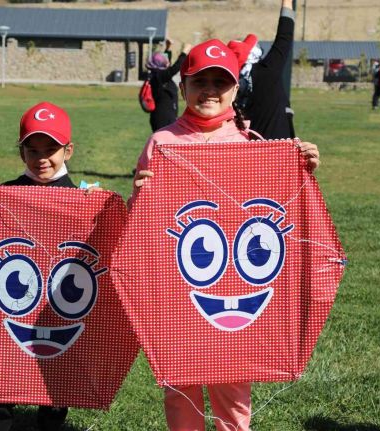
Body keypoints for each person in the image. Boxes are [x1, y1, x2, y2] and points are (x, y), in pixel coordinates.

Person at [130, 39, 320, 431]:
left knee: (232, 377)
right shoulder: (162, 143)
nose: (210, 91)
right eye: (200, 81)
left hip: (234, 287)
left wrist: (300, 171)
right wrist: (139, 197)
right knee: (179, 382)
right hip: (177, 287)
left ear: (236, 89)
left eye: (221, 82)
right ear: (183, 86)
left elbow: (277, 216)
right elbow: (140, 228)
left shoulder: (251, 146)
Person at [0, 101, 84, 431]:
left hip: (57, 306)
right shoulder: (6, 192)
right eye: (33, 150)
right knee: (2, 373)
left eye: (51, 149)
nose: (42, 158)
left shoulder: (82, 200)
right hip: (11, 303)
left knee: (55, 376)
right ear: (21, 153)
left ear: (68, 150)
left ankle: (50, 422)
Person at [228, 0, 296, 139]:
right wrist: (287, 2)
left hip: (249, 150)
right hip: (279, 149)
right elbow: (284, 35)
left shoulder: (228, 85)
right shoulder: (268, 70)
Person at [146, 41, 192, 132]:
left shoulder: (158, 76)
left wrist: (168, 48)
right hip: (162, 120)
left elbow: (166, 65)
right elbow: (175, 67)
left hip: (164, 117)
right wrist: (185, 52)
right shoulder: (160, 77)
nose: (167, 62)